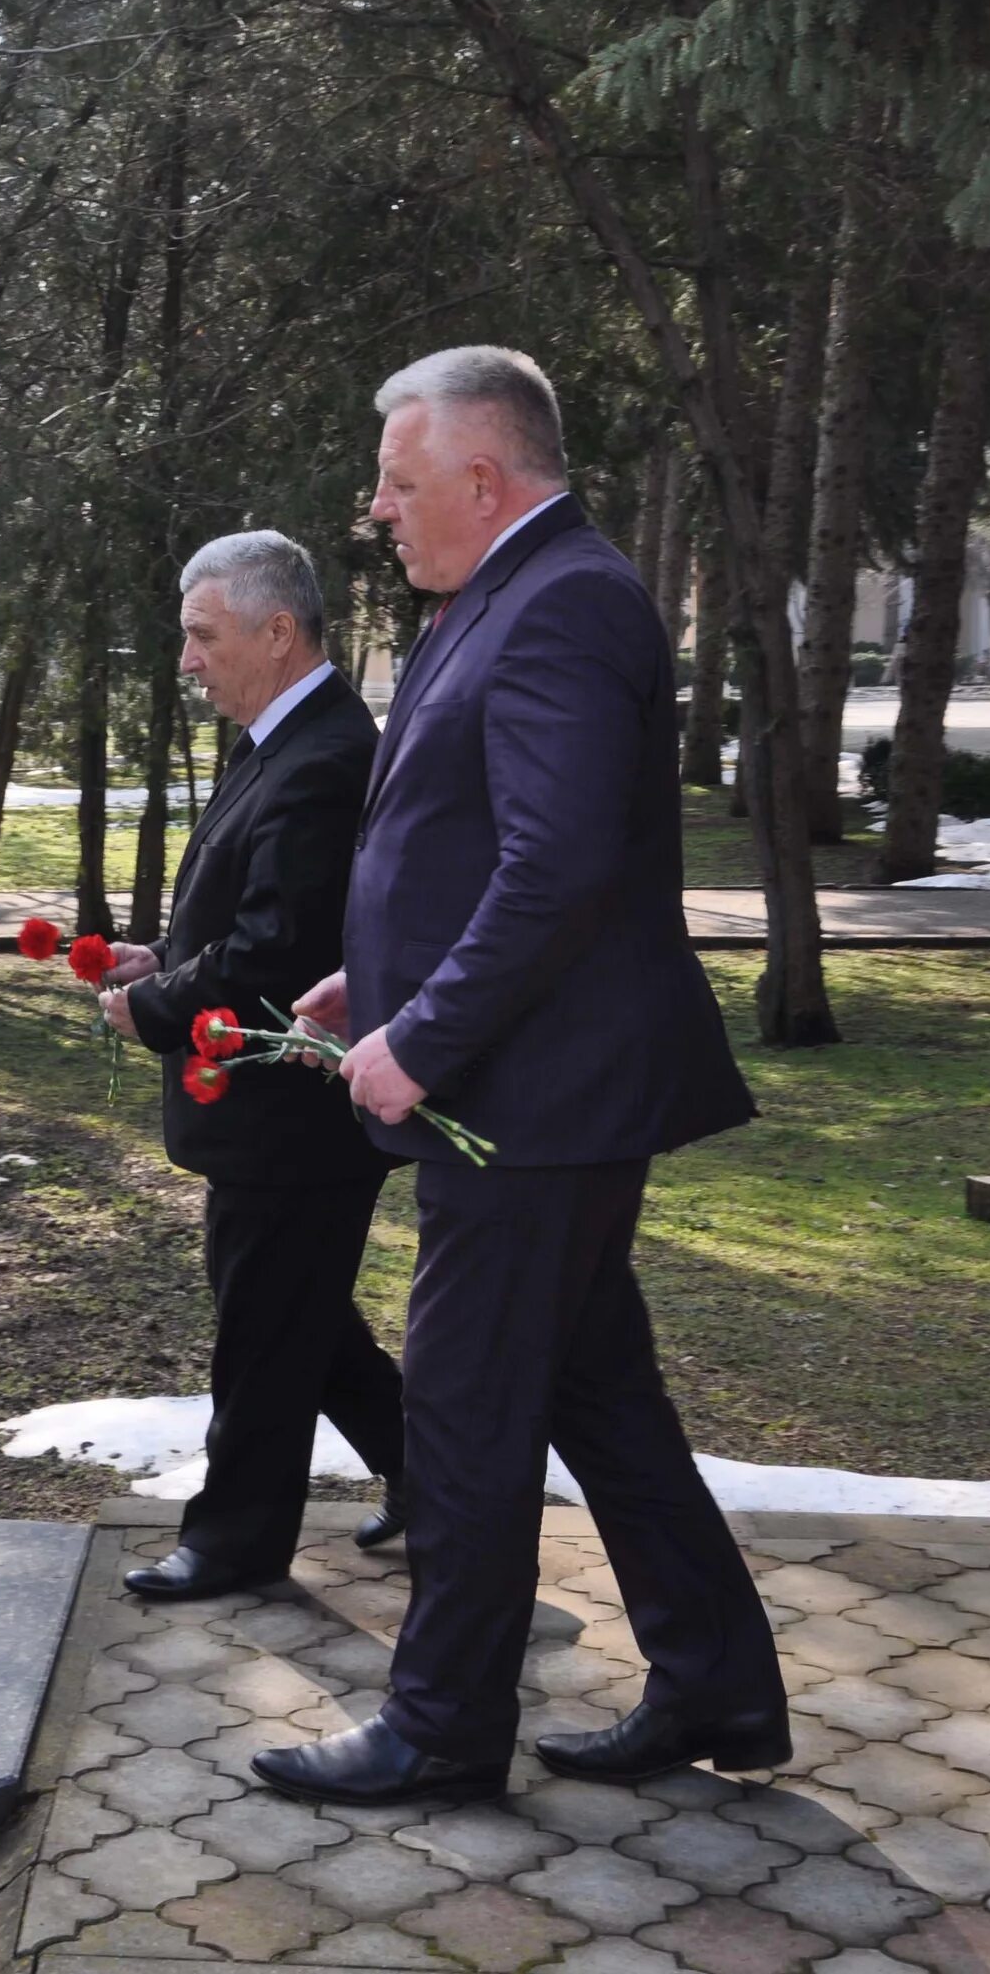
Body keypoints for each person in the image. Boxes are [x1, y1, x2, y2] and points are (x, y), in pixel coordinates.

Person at [252, 346, 784, 1810]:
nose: (378, 508)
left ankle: (442, 1724)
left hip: (533, 1103)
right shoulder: (509, 593)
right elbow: (489, 844)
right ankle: (717, 1674)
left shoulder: (566, 602)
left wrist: (420, 1039)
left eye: (401, 480)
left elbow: (563, 868)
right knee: (601, 1396)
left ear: (483, 478)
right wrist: (381, 971)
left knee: (472, 1414)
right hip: (543, 1090)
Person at [91, 531, 407, 1600]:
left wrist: (153, 1005)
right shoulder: (284, 738)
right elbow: (255, 917)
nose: (187, 660)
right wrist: (165, 957)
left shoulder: (321, 757)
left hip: (292, 1117)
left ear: (278, 632)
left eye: (201, 635)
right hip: (276, 1116)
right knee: (299, 1317)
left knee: (267, 1331)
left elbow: (276, 953)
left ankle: (233, 1543)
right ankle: (432, 1480)